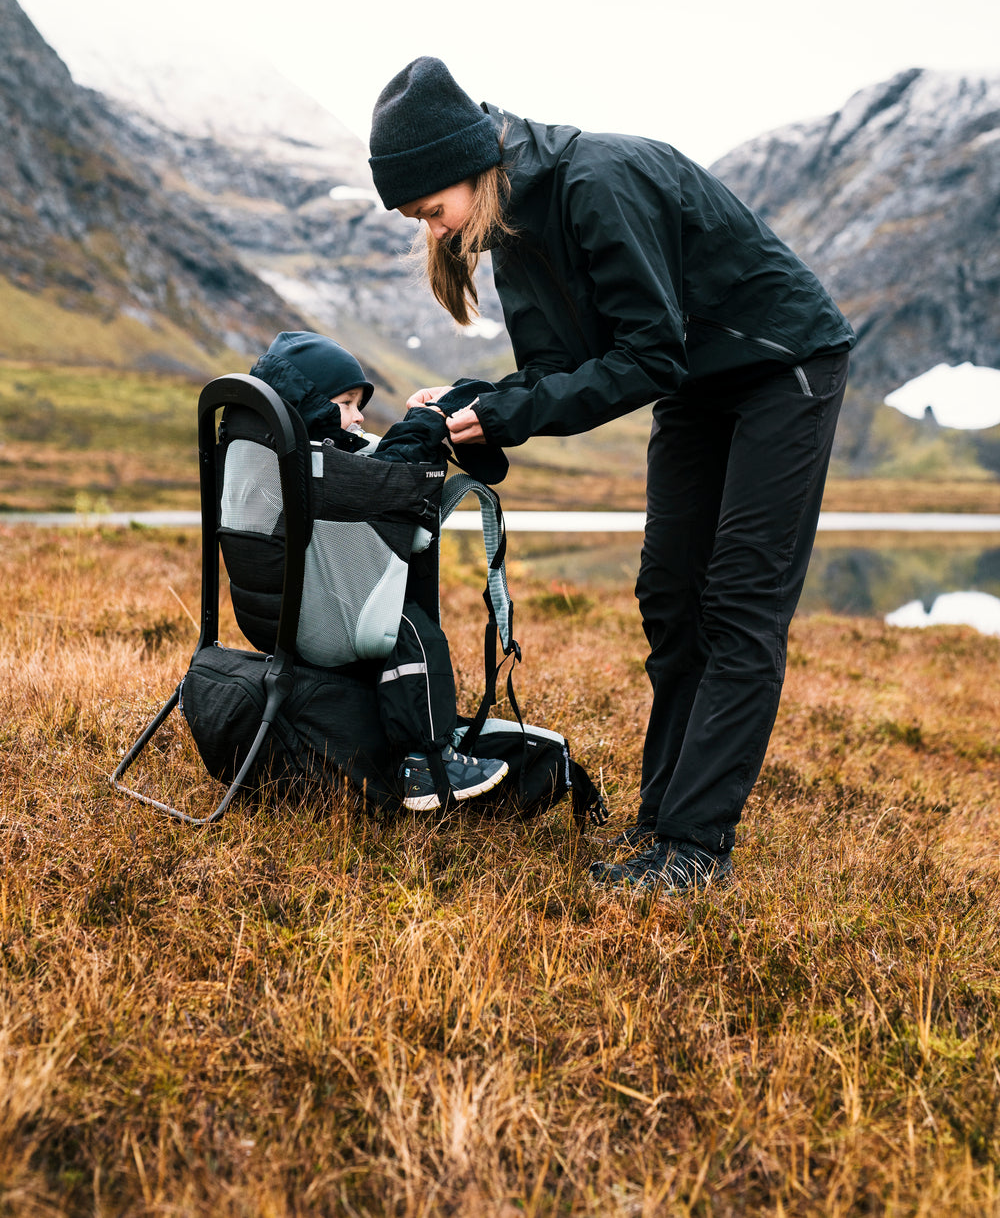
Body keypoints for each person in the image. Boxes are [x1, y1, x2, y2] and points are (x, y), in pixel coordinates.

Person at [367, 58, 855, 893]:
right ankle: (662, 818)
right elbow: (559, 368)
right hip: (698, 386)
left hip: (784, 365)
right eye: (420, 219)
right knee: (670, 596)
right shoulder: (509, 229)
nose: (437, 231)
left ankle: (694, 847)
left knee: (739, 603)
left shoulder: (598, 180)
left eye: (432, 210)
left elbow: (645, 356)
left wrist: (514, 411)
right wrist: (476, 400)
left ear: (468, 167)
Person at [236, 329, 510, 811]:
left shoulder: (261, 455)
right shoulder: (312, 466)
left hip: (268, 622)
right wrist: (423, 425)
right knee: (407, 628)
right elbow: (390, 486)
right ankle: (428, 763)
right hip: (315, 625)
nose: (358, 416)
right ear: (310, 407)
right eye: (345, 403)